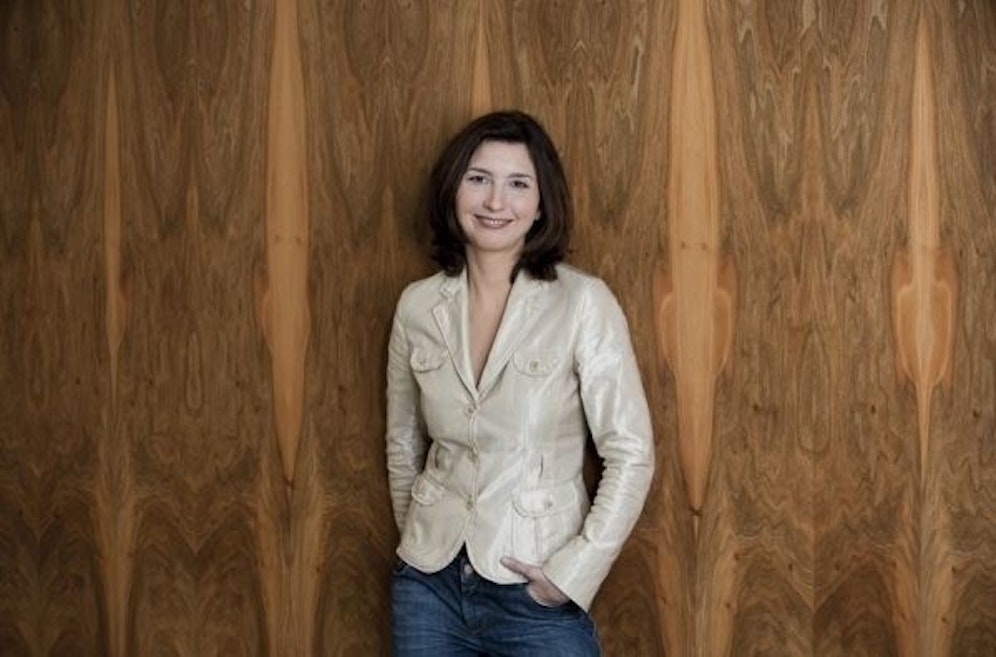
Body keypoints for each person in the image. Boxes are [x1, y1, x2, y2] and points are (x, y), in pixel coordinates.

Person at [385, 110, 654, 656]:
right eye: (478, 178)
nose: (495, 201)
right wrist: (421, 538)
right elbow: (402, 444)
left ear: (541, 203)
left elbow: (631, 452)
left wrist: (571, 573)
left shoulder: (582, 303)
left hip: (534, 590)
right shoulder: (417, 306)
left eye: (517, 184)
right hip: (428, 589)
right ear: (454, 189)